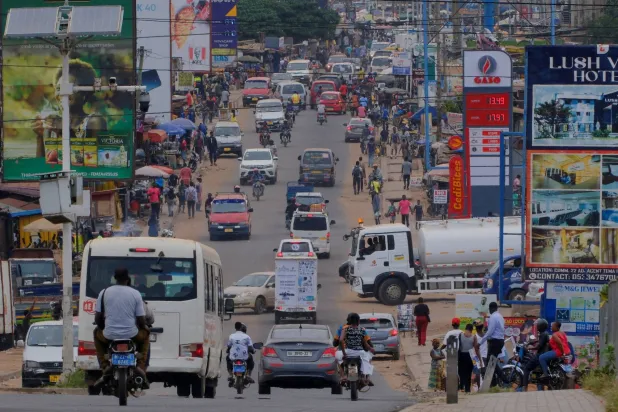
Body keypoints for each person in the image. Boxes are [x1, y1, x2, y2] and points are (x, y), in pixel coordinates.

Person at [93, 268, 150, 388]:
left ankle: (104, 365)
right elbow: (141, 319)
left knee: (96, 333)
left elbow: (98, 318)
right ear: (128, 278)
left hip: (109, 335)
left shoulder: (104, 293)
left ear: (114, 278)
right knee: (146, 335)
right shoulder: (135, 294)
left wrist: (103, 328)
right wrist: (144, 327)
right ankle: (140, 366)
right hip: (132, 335)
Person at [339, 313, 375, 386]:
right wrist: (371, 349)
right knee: (369, 357)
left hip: (348, 352)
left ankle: (343, 376)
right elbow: (365, 343)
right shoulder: (362, 330)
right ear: (358, 321)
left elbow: (340, 340)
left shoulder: (345, 329)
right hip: (360, 353)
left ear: (350, 321)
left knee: (339, 359)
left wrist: (344, 353)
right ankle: (367, 377)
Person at [478, 302, 506, 387]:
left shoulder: (493, 317)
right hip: (500, 341)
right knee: (491, 362)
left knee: (490, 362)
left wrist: (480, 342)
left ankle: (503, 378)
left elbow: (489, 332)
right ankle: (493, 383)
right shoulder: (500, 316)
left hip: (495, 341)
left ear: (491, 308)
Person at [520, 318, 550, 391]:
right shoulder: (544, 333)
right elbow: (538, 341)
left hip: (540, 355)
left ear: (541, 326)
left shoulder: (543, 334)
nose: (537, 327)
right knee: (538, 371)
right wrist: (531, 342)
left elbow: (538, 346)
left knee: (527, 368)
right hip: (544, 354)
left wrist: (530, 348)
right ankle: (541, 386)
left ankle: (525, 388)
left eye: (538, 325)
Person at [458, 324, 481, 393]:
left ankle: (462, 386)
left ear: (465, 328)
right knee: (468, 373)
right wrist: (479, 359)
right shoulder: (474, 337)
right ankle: (467, 389)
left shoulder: (460, 335)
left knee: (462, 372)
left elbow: (458, 346)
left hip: (461, 356)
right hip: (470, 356)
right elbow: (476, 349)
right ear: (471, 330)